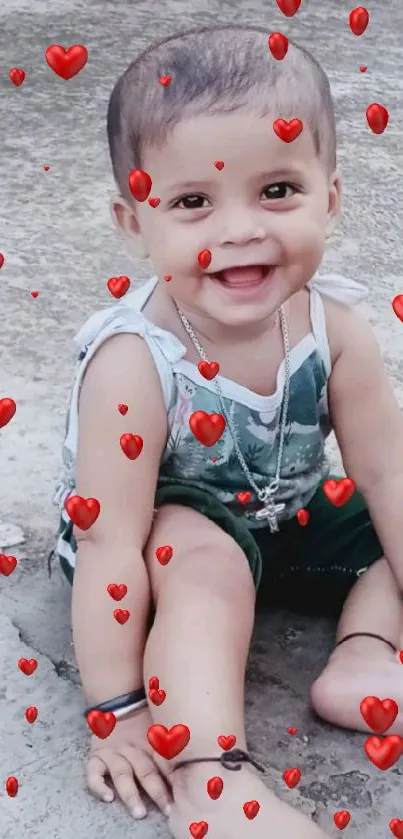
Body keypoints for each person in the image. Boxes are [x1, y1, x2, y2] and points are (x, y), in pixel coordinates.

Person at [52, 23, 403, 839]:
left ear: (331, 195)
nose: (239, 229)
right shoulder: (136, 361)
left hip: (287, 514)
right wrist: (116, 707)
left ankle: (362, 650)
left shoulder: (334, 328)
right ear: (133, 219)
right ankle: (209, 773)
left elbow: (386, 471)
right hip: (158, 536)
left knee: (386, 526)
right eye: (191, 203)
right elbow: (110, 544)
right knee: (203, 558)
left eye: (276, 191)